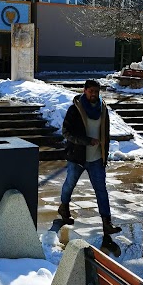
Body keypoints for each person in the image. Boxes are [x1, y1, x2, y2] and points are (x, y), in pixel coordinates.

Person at [58, 79, 122, 235]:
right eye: (91, 91)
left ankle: (107, 223)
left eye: (96, 91)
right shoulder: (75, 109)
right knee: (69, 184)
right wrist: (86, 141)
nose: (94, 94)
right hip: (77, 157)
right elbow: (66, 132)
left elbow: (105, 133)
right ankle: (64, 207)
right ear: (84, 90)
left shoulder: (103, 109)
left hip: (96, 159)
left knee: (101, 190)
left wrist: (104, 154)